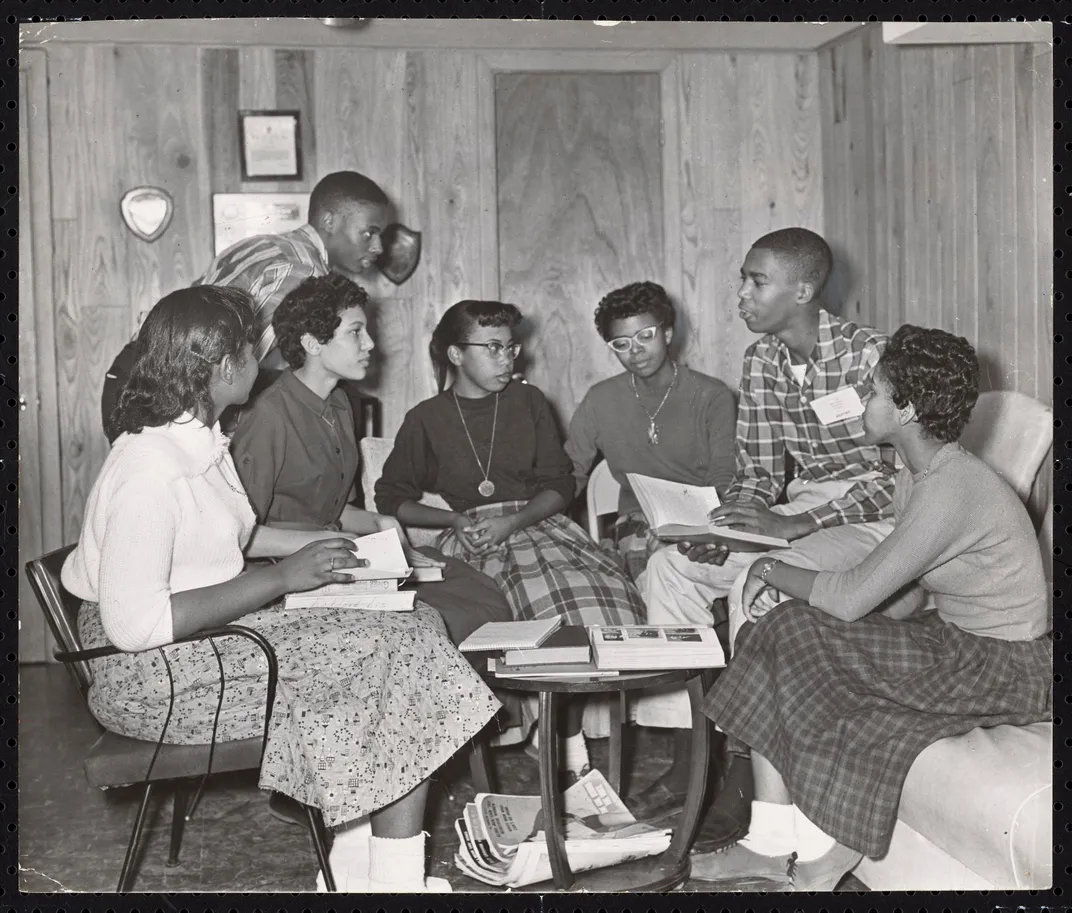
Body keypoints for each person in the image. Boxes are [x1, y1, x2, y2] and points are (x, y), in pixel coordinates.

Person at [62, 285, 499, 892]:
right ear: (220, 368)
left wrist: (321, 551)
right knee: (399, 659)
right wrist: (284, 579)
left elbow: (229, 538)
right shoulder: (150, 469)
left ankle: (351, 870)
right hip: (149, 678)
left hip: (198, 642)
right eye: (250, 348)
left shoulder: (194, 439)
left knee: (412, 628)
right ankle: (392, 880)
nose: (263, 360)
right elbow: (134, 627)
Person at [689, 325, 1052, 890]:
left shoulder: (951, 488)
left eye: (875, 390)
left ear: (906, 409)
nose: (863, 397)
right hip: (958, 642)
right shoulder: (917, 475)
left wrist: (766, 568)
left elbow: (852, 595)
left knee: (794, 627)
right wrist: (848, 636)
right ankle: (770, 840)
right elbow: (902, 593)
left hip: (1007, 666)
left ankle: (805, 854)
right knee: (786, 629)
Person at [629, 228, 896, 845]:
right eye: (742, 280)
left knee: (759, 579)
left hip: (872, 518)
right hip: (799, 510)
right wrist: (727, 523)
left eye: (757, 281)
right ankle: (688, 752)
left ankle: (747, 768)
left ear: (803, 289)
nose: (742, 295)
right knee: (673, 567)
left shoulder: (869, 355)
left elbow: (902, 476)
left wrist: (797, 524)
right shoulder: (763, 361)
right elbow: (756, 472)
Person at [374, 299, 647, 781]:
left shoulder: (528, 402)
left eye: (511, 347)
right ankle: (536, 729)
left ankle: (563, 732)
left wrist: (515, 521)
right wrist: (452, 522)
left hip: (536, 523)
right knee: (511, 606)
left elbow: (559, 485)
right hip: (471, 534)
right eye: (494, 348)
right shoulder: (427, 418)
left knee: (596, 599)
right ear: (456, 355)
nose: (508, 359)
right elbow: (391, 496)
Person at [229, 273, 513, 648]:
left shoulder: (341, 403)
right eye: (356, 332)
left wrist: (380, 522)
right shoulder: (269, 416)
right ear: (313, 343)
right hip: (283, 575)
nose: (370, 343)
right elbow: (238, 539)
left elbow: (331, 509)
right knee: (441, 621)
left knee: (480, 593)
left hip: (336, 557)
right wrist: (331, 539)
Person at [101, 171, 389, 442]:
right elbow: (239, 368)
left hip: (136, 375)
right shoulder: (303, 271)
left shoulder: (264, 244)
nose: (378, 247)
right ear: (330, 221)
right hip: (167, 392)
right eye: (368, 233)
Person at [564, 281, 736, 585]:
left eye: (645, 336)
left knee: (682, 563)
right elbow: (570, 474)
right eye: (621, 343)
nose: (636, 351)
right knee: (649, 560)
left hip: (704, 517)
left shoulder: (712, 395)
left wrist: (701, 530)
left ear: (667, 333)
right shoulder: (599, 399)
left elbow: (723, 476)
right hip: (636, 521)